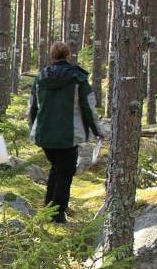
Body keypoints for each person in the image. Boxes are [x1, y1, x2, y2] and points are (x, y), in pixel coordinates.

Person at [27, 42, 103, 223]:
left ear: (52, 56)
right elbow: (89, 108)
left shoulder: (40, 77)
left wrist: (34, 130)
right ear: (68, 55)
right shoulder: (78, 78)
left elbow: (31, 107)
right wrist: (98, 131)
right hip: (68, 136)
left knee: (57, 169)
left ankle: (48, 207)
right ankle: (57, 215)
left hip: (44, 134)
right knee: (65, 172)